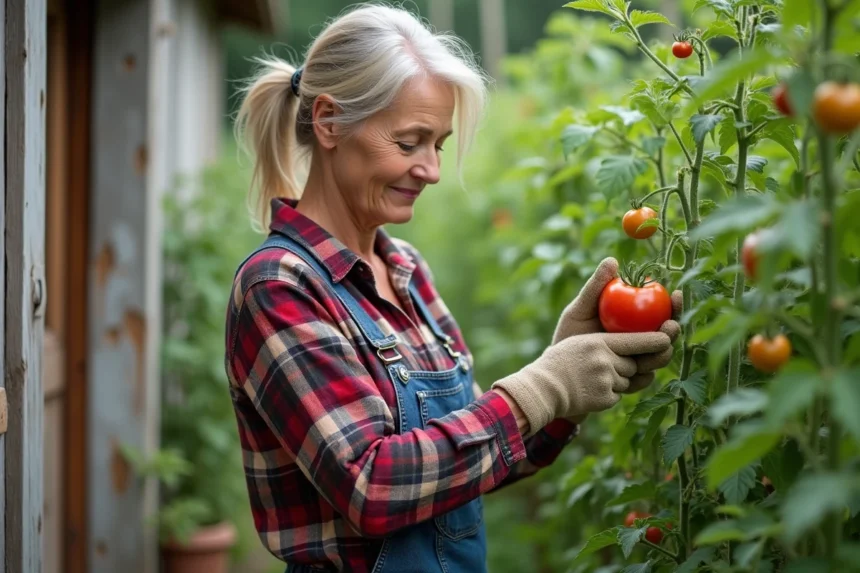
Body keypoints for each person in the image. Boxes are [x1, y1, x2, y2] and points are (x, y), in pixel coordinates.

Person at [224, 4, 681, 572]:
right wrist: (540, 389)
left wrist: (565, 377)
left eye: (437, 145)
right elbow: (373, 485)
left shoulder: (406, 270)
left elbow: (462, 468)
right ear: (329, 122)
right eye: (410, 141)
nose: (432, 170)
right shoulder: (279, 286)